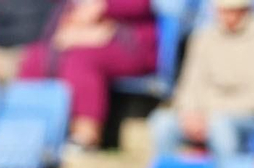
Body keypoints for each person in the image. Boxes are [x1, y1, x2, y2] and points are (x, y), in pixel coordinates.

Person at [16, 0, 158, 150]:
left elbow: (141, 4)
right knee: (35, 58)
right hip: (76, 30)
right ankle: (24, 130)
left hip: (129, 40)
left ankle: (86, 136)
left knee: (81, 60)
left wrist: (101, 8)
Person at [154, 0, 254, 158]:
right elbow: (190, 84)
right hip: (204, 114)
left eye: (234, 11)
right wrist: (189, 112)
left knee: (220, 127)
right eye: (223, 11)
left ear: (247, 10)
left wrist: (210, 115)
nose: (228, 16)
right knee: (162, 122)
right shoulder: (204, 36)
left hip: (250, 118)